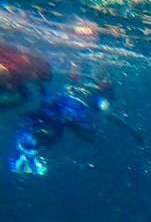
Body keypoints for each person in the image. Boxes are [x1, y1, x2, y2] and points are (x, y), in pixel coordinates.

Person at [9, 72, 142, 176]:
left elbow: (46, 100)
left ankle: (29, 153)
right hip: (59, 114)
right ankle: (30, 153)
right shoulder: (93, 98)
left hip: (57, 113)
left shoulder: (84, 94)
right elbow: (107, 117)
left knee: (54, 120)